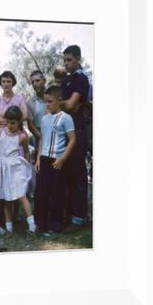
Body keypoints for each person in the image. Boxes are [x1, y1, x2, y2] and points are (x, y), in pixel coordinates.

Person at [0, 106, 36, 234]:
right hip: (2, 166)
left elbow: (26, 152)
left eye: (13, 122)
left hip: (15, 168)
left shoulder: (22, 136)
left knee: (21, 195)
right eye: (7, 122)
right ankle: (9, 228)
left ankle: (32, 225)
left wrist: (26, 168)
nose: (9, 125)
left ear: (19, 121)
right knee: (5, 196)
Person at [34, 86, 76, 233]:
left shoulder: (66, 118)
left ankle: (55, 223)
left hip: (57, 161)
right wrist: (38, 159)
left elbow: (72, 140)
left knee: (57, 193)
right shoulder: (45, 119)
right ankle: (40, 222)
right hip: (44, 159)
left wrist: (62, 159)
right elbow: (41, 139)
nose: (47, 104)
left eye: (50, 101)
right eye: (46, 102)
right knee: (41, 192)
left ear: (59, 100)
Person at [59, 45, 90, 233]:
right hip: (66, 132)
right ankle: (70, 215)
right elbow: (66, 105)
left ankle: (79, 218)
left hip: (78, 132)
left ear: (78, 58)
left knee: (78, 175)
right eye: (64, 60)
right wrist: (65, 104)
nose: (66, 64)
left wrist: (63, 104)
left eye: (69, 60)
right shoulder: (67, 80)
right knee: (67, 175)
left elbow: (70, 105)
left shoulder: (81, 78)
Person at [27, 70, 47, 150]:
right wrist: (41, 137)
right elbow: (31, 125)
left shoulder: (53, 95)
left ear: (44, 80)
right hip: (39, 139)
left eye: (37, 80)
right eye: (32, 82)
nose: (35, 84)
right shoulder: (30, 102)